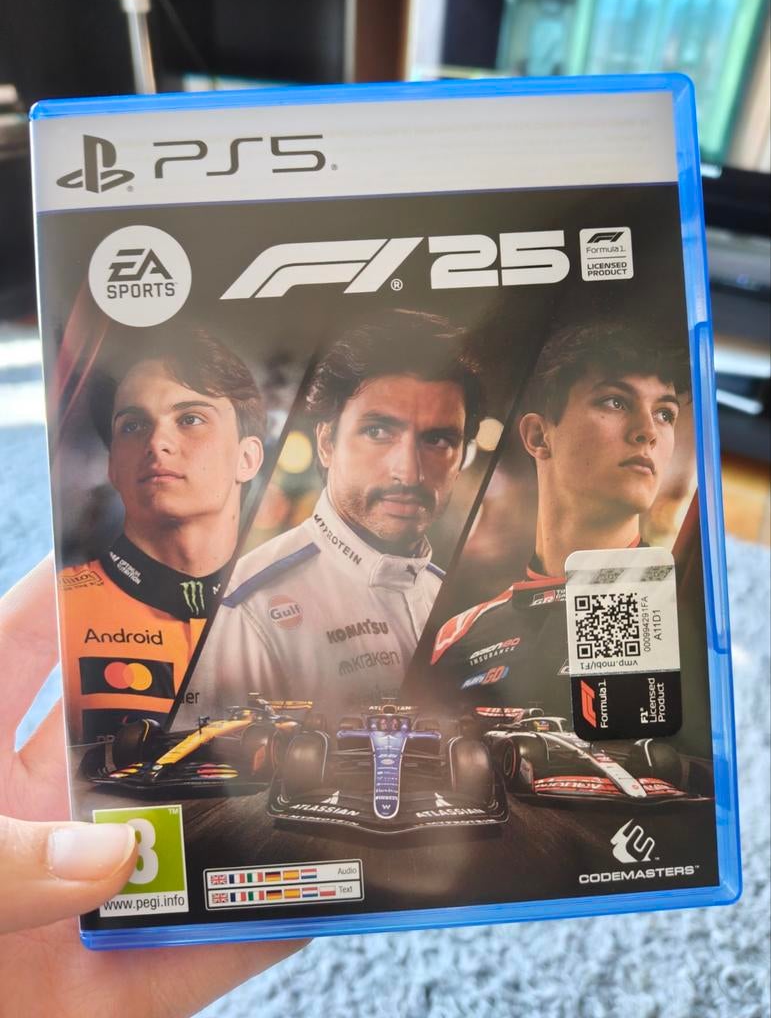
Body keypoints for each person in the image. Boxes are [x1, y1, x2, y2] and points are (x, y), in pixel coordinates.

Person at [0, 557, 305, 1016]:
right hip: (219, 734)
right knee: (193, 736)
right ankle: (164, 763)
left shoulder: (268, 718)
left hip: (262, 730)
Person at [180, 310, 483, 720]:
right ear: (326, 443)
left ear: (461, 456)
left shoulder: (451, 601)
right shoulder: (249, 606)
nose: (409, 473)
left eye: (439, 440)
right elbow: (213, 757)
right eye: (378, 432)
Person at [425, 322, 691, 718]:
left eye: (665, 413)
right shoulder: (457, 635)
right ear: (538, 436)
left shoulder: (687, 613)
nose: (648, 432)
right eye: (616, 402)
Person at [58, 331, 264, 743]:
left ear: (247, 458)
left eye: (190, 419)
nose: (156, 443)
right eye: (133, 426)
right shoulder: (58, 612)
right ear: (113, 467)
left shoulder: (303, 613)